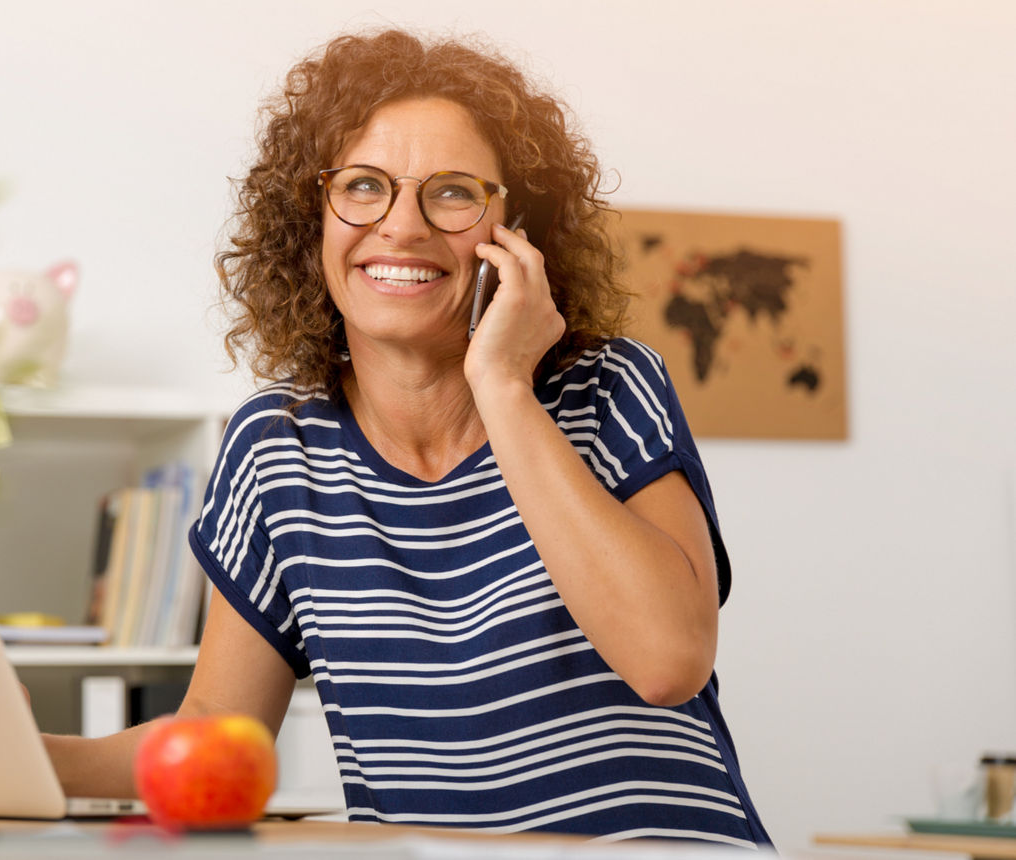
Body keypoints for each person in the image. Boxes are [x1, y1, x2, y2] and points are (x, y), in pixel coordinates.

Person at [45, 28, 772, 846]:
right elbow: (217, 733)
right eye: (362, 186)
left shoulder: (607, 387)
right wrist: (32, 761)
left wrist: (502, 388)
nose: (401, 226)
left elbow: (668, 660)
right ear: (310, 217)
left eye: (454, 192)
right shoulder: (276, 446)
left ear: (516, 229)